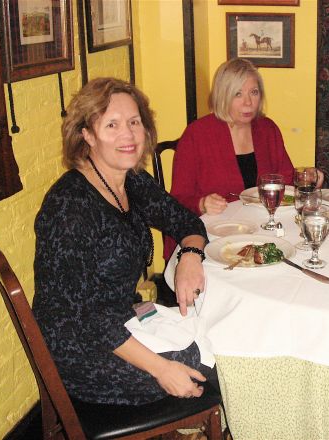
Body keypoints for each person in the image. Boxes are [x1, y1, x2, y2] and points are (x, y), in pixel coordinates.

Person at [32, 78, 215, 405]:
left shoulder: (130, 179)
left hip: (125, 314)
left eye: (134, 122)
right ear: (86, 134)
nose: (128, 135)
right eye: (112, 125)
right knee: (198, 358)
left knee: (214, 328)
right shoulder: (69, 208)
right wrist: (160, 369)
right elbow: (87, 315)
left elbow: (186, 221)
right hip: (80, 350)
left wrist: (189, 255)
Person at [164, 58, 295, 259]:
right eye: (238, 94)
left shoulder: (267, 129)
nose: (248, 102)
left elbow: (287, 179)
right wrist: (202, 204)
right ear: (222, 96)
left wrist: (309, 178)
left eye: (254, 92)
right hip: (211, 237)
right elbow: (177, 199)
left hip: (262, 231)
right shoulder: (197, 134)